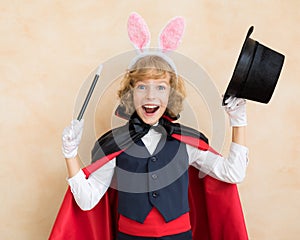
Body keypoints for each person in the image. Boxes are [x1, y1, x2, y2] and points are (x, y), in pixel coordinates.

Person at [59, 54, 249, 240]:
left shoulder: (187, 142)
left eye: (160, 87)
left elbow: (234, 173)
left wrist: (238, 120)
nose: (151, 96)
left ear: (171, 94)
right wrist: (70, 153)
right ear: (130, 93)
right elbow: (86, 201)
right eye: (142, 87)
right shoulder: (114, 143)